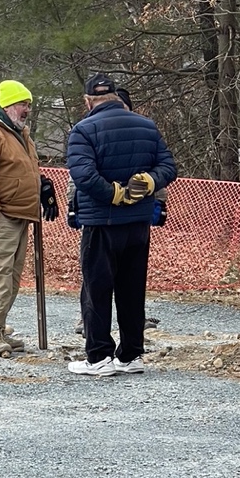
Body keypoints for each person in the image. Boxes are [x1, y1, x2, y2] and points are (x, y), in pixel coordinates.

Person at [66, 72, 176, 377]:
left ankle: (99, 356)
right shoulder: (146, 126)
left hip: (101, 222)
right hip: (138, 222)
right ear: (116, 97)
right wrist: (149, 181)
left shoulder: (82, 130)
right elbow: (168, 167)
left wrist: (114, 194)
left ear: (88, 101)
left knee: (97, 289)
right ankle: (131, 355)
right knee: (132, 289)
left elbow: (84, 176)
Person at [0, 79, 58, 357]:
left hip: (19, 214)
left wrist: (41, 184)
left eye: (28, 104)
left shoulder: (18, 132)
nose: (27, 109)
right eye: (22, 104)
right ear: (7, 105)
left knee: (11, 278)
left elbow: (19, 169)